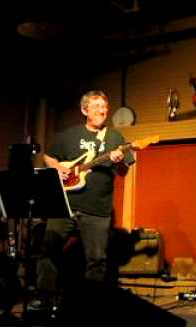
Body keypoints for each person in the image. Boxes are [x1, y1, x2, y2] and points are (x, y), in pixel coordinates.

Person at [37, 90, 134, 304]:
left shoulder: (115, 137)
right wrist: (57, 169)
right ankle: (44, 301)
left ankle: (90, 305)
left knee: (97, 259)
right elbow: (48, 157)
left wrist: (118, 160)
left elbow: (123, 172)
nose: (102, 111)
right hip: (64, 206)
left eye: (105, 107)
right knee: (48, 250)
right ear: (84, 110)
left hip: (97, 209)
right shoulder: (68, 136)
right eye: (97, 106)